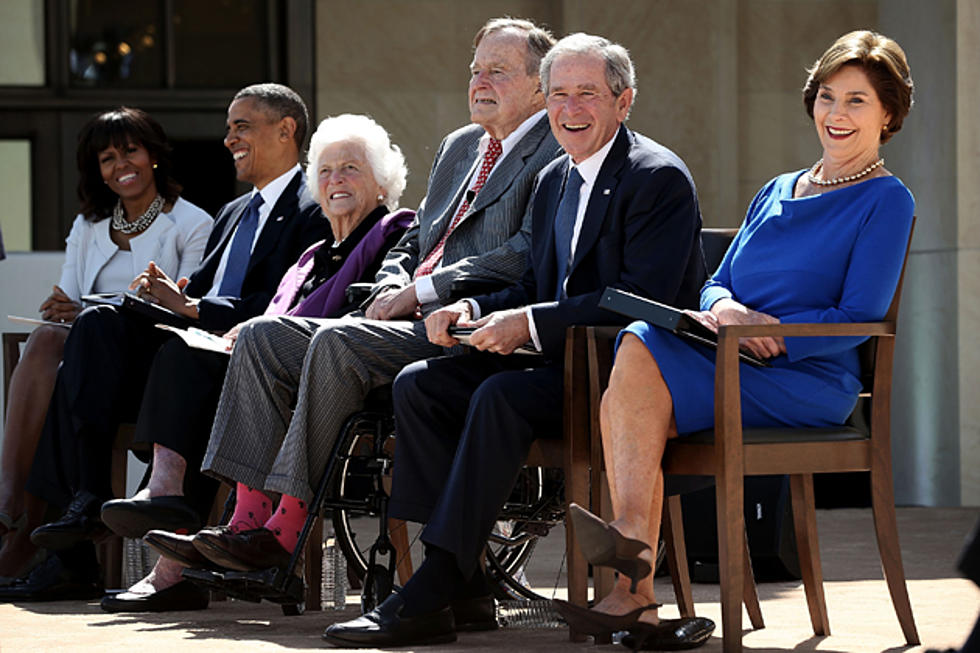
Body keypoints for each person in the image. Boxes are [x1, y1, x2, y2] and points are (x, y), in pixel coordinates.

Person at [143, 18, 562, 589]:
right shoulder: (459, 146)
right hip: (404, 312)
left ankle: (286, 528)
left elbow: (525, 254)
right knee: (264, 333)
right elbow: (418, 237)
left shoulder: (555, 149)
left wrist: (420, 292)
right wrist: (392, 284)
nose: (479, 81)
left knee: (336, 341)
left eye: (497, 71)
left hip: (469, 323)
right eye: (474, 70)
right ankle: (246, 520)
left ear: (540, 86)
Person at [323, 32, 706, 648]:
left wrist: (526, 324)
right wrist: (470, 307)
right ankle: (468, 585)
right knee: (422, 384)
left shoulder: (657, 177)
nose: (570, 110)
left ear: (624, 101)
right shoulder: (555, 178)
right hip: (554, 362)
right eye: (558, 95)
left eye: (588, 94)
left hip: (622, 379)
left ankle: (436, 580)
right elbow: (533, 282)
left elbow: (640, 298)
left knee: (499, 397)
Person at [558, 29, 915, 650]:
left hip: (807, 379)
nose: (837, 114)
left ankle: (631, 574)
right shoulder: (775, 189)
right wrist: (724, 309)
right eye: (828, 97)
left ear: (889, 114)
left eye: (858, 101)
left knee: (638, 364)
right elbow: (714, 280)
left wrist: (773, 338)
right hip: (728, 359)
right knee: (639, 341)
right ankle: (635, 589)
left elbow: (862, 315)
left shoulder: (887, 200)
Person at [0, 83, 330, 602]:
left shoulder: (313, 207)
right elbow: (194, 290)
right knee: (95, 327)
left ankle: (151, 538)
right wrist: (165, 294)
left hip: (244, 360)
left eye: (241, 126)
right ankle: (87, 497)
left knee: (177, 348)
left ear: (286, 130)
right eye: (228, 128)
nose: (228, 139)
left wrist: (193, 309)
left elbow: (285, 303)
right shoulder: (233, 212)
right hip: (180, 361)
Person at [96, 113, 414, 613]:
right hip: (281, 366)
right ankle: (226, 522)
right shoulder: (312, 253)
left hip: (347, 369)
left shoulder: (397, 231)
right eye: (326, 171)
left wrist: (253, 334)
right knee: (184, 353)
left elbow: (368, 314)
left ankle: (225, 531)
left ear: (382, 181)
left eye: (350, 169)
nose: (335, 181)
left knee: (227, 365)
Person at [0, 108, 213, 586]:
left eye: (131, 150)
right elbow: (68, 299)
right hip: (89, 361)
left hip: (154, 367)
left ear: (154, 155)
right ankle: (35, 511)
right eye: (107, 157)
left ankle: (27, 523)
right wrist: (62, 307)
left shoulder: (192, 223)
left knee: (77, 346)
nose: (121, 165)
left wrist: (94, 311)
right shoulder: (89, 225)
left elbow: (188, 305)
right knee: (46, 341)